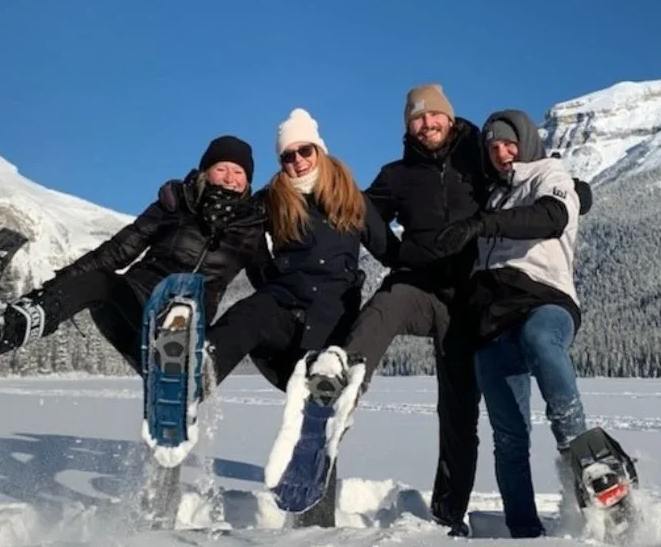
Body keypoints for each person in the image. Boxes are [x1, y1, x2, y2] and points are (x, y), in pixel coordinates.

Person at [299, 84, 491, 536]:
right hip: (416, 284)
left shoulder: (478, 161)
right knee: (382, 309)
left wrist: (568, 186)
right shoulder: (397, 175)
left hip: (466, 300)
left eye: (433, 117)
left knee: (460, 412)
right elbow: (356, 210)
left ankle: (449, 515)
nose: (426, 125)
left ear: (449, 117)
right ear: (408, 126)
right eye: (417, 119)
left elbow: (523, 179)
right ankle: (339, 385)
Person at [0, 134, 271, 371]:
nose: (230, 178)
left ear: (248, 180)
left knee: (192, 324)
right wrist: (55, 288)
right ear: (206, 171)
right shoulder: (176, 203)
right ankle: (1, 331)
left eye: (239, 171)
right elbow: (117, 251)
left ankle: (177, 376)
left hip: (189, 325)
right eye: (221, 168)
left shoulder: (250, 229)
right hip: (138, 306)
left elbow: (271, 285)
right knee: (99, 280)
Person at [432, 108, 596, 539]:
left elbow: (550, 217)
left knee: (540, 338)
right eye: (493, 147)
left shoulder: (550, 175)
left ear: (525, 143)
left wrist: (484, 224)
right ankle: (524, 530)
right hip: (493, 321)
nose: (502, 153)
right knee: (508, 437)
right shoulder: (494, 194)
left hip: (545, 298)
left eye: (509, 144)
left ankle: (582, 449)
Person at [203, 108, 396, 389]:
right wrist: (192, 194)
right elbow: (233, 221)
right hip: (283, 311)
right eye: (288, 156)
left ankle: (323, 391)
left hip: (334, 320)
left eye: (304, 150)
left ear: (318, 150)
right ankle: (191, 379)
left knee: (318, 408)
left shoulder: (352, 199)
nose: (298, 160)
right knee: (245, 316)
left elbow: (391, 252)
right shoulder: (273, 198)